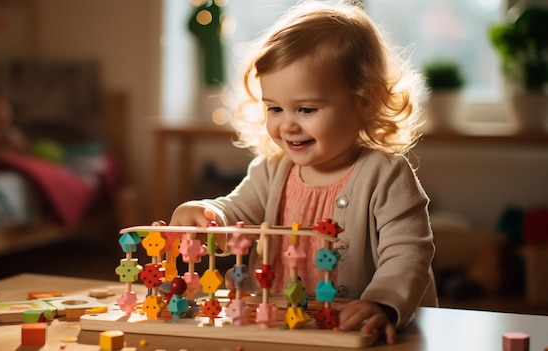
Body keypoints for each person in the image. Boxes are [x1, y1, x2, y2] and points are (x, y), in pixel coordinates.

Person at [169, 0, 438, 344]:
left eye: (306, 109)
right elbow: (237, 214)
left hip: (358, 332)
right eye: (275, 108)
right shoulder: (271, 171)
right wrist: (209, 216)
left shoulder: (386, 175)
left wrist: (380, 304)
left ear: (365, 101)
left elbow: (409, 254)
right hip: (278, 327)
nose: (288, 125)